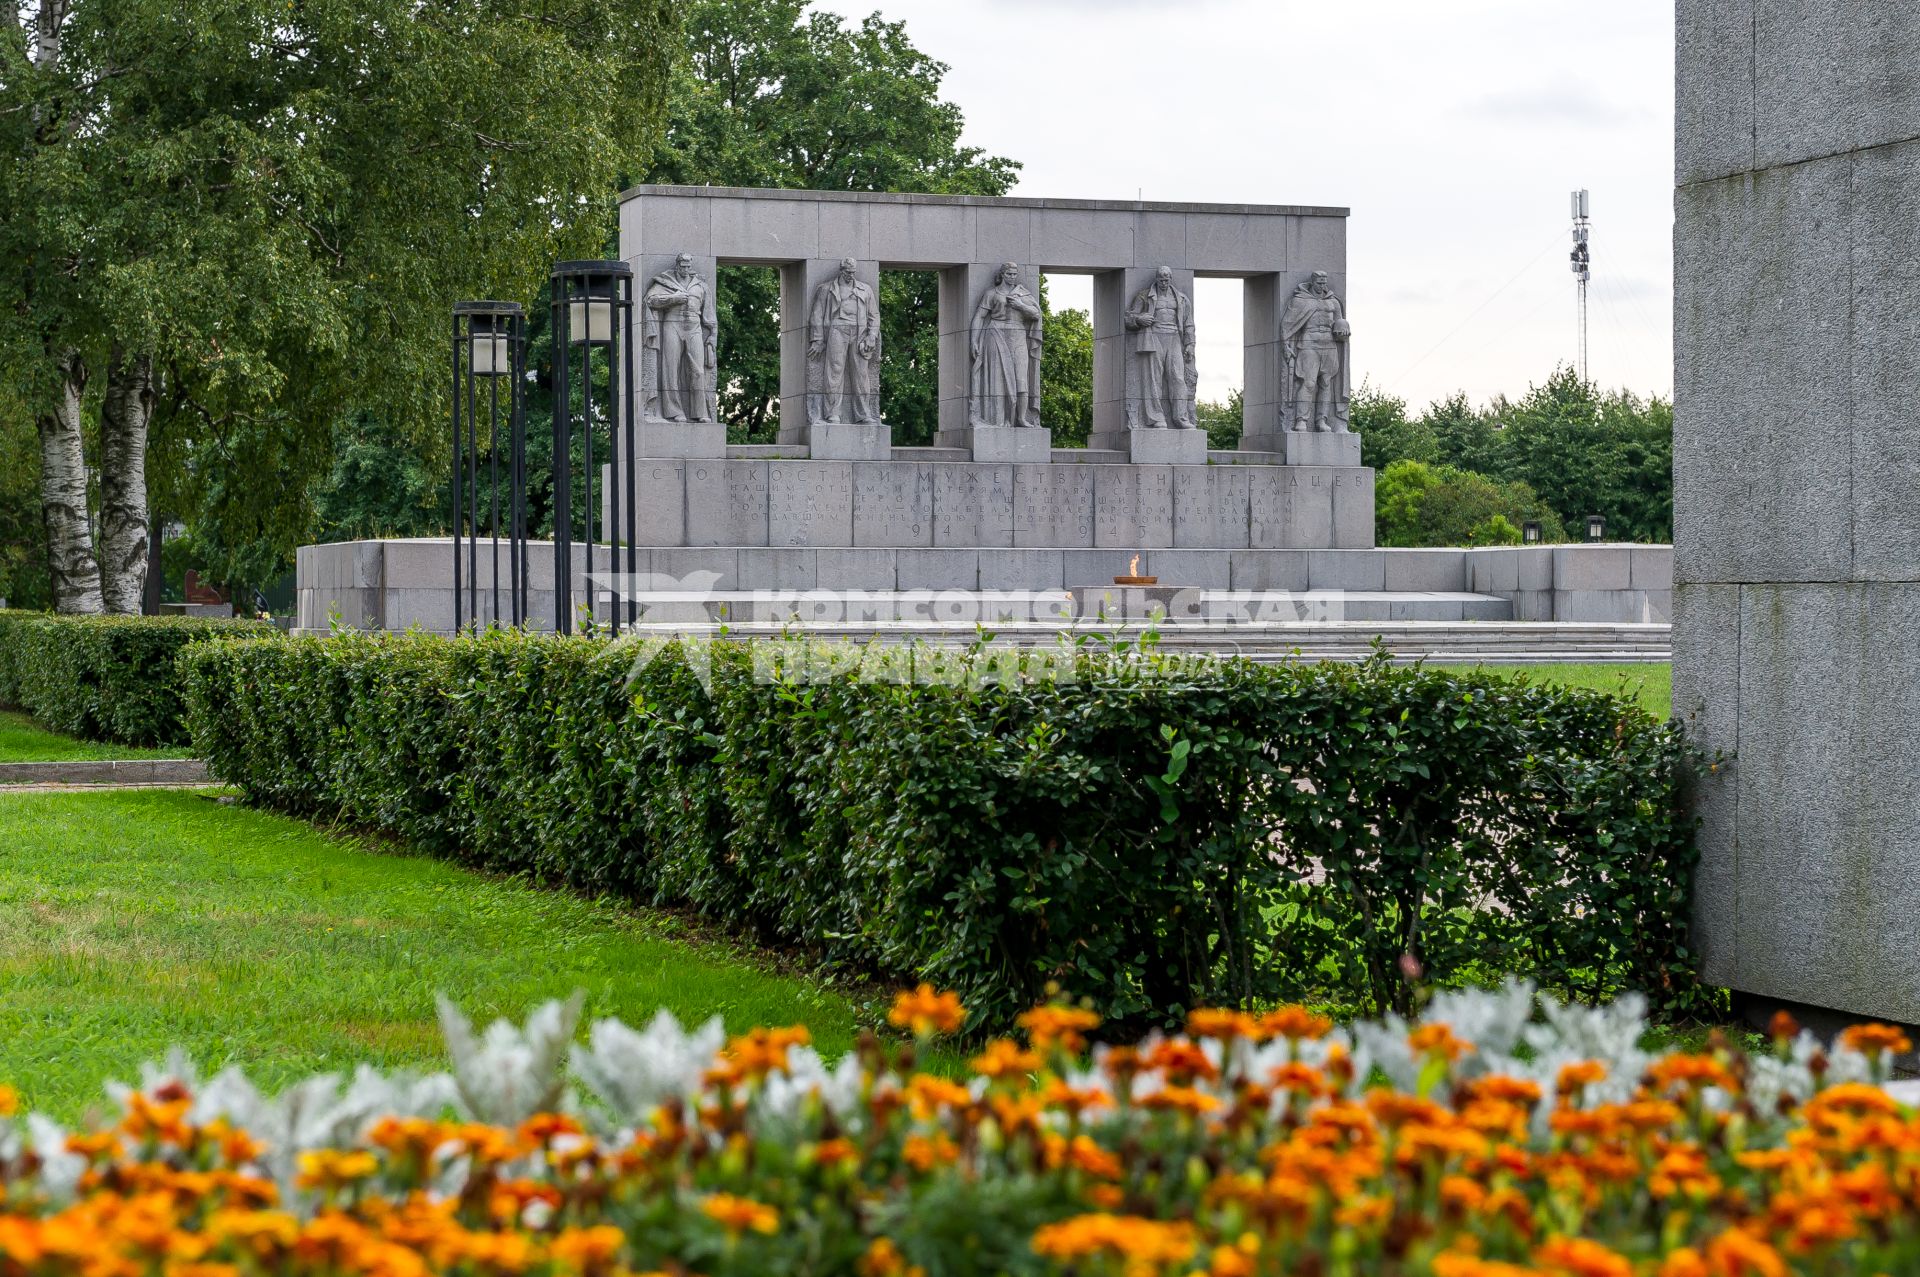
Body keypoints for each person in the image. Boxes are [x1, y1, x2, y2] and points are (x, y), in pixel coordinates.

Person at [643, 254, 717, 422]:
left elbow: (710, 315)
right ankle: (675, 412)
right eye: (682, 266)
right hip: (672, 324)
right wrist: (673, 299)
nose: (685, 269)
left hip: (694, 326)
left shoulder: (701, 285)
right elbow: (650, 300)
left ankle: (700, 413)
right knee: (671, 369)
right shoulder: (665, 281)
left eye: (688, 266)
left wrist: (713, 337)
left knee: (698, 371)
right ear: (677, 266)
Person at [968, 263, 1043, 428]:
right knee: (998, 380)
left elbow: (1037, 314)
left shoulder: (1023, 294)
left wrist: (1021, 306)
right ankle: (999, 419)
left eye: (1015, 274)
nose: (1012, 277)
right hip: (996, 334)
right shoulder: (992, 294)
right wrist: (974, 339)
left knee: (1021, 380)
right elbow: (980, 316)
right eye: (1009, 274)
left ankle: (1021, 418)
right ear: (1002, 274)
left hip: (1018, 336)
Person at [806, 258, 881, 424]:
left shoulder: (865, 289)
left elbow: (874, 316)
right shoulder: (826, 289)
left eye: (853, 272)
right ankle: (832, 413)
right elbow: (817, 315)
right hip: (837, 330)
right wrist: (818, 339)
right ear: (841, 270)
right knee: (834, 372)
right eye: (848, 272)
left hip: (860, 333)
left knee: (861, 374)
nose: (851, 275)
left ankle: (863, 414)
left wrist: (872, 336)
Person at [1124, 266, 1197, 428]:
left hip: (1174, 338)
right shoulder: (1144, 296)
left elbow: (1189, 324)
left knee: (1178, 378)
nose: (1164, 282)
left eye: (1167, 279)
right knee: (1154, 379)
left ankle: (1180, 417)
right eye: (1161, 279)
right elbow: (1129, 318)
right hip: (1153, 337)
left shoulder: (1181, 299)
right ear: (1156, 279)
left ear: (1171, 279)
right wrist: (1139, 319)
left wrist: (1190, 344)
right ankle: (1156, 418)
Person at [1281, 270, 1351, 432]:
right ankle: (1301, 420)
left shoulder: (1333, 302)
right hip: (1309, 344)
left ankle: (1321, 420)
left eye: (1324, 282)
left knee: (1326, 383)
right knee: (1309, 383)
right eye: (1319, 282)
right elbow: (1287, 325)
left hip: (1329, 344)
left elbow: (1339, 321)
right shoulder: (1300, 300)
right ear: (1313, 282)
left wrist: (1343, 328)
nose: (1322, 286)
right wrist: (1286, 345)